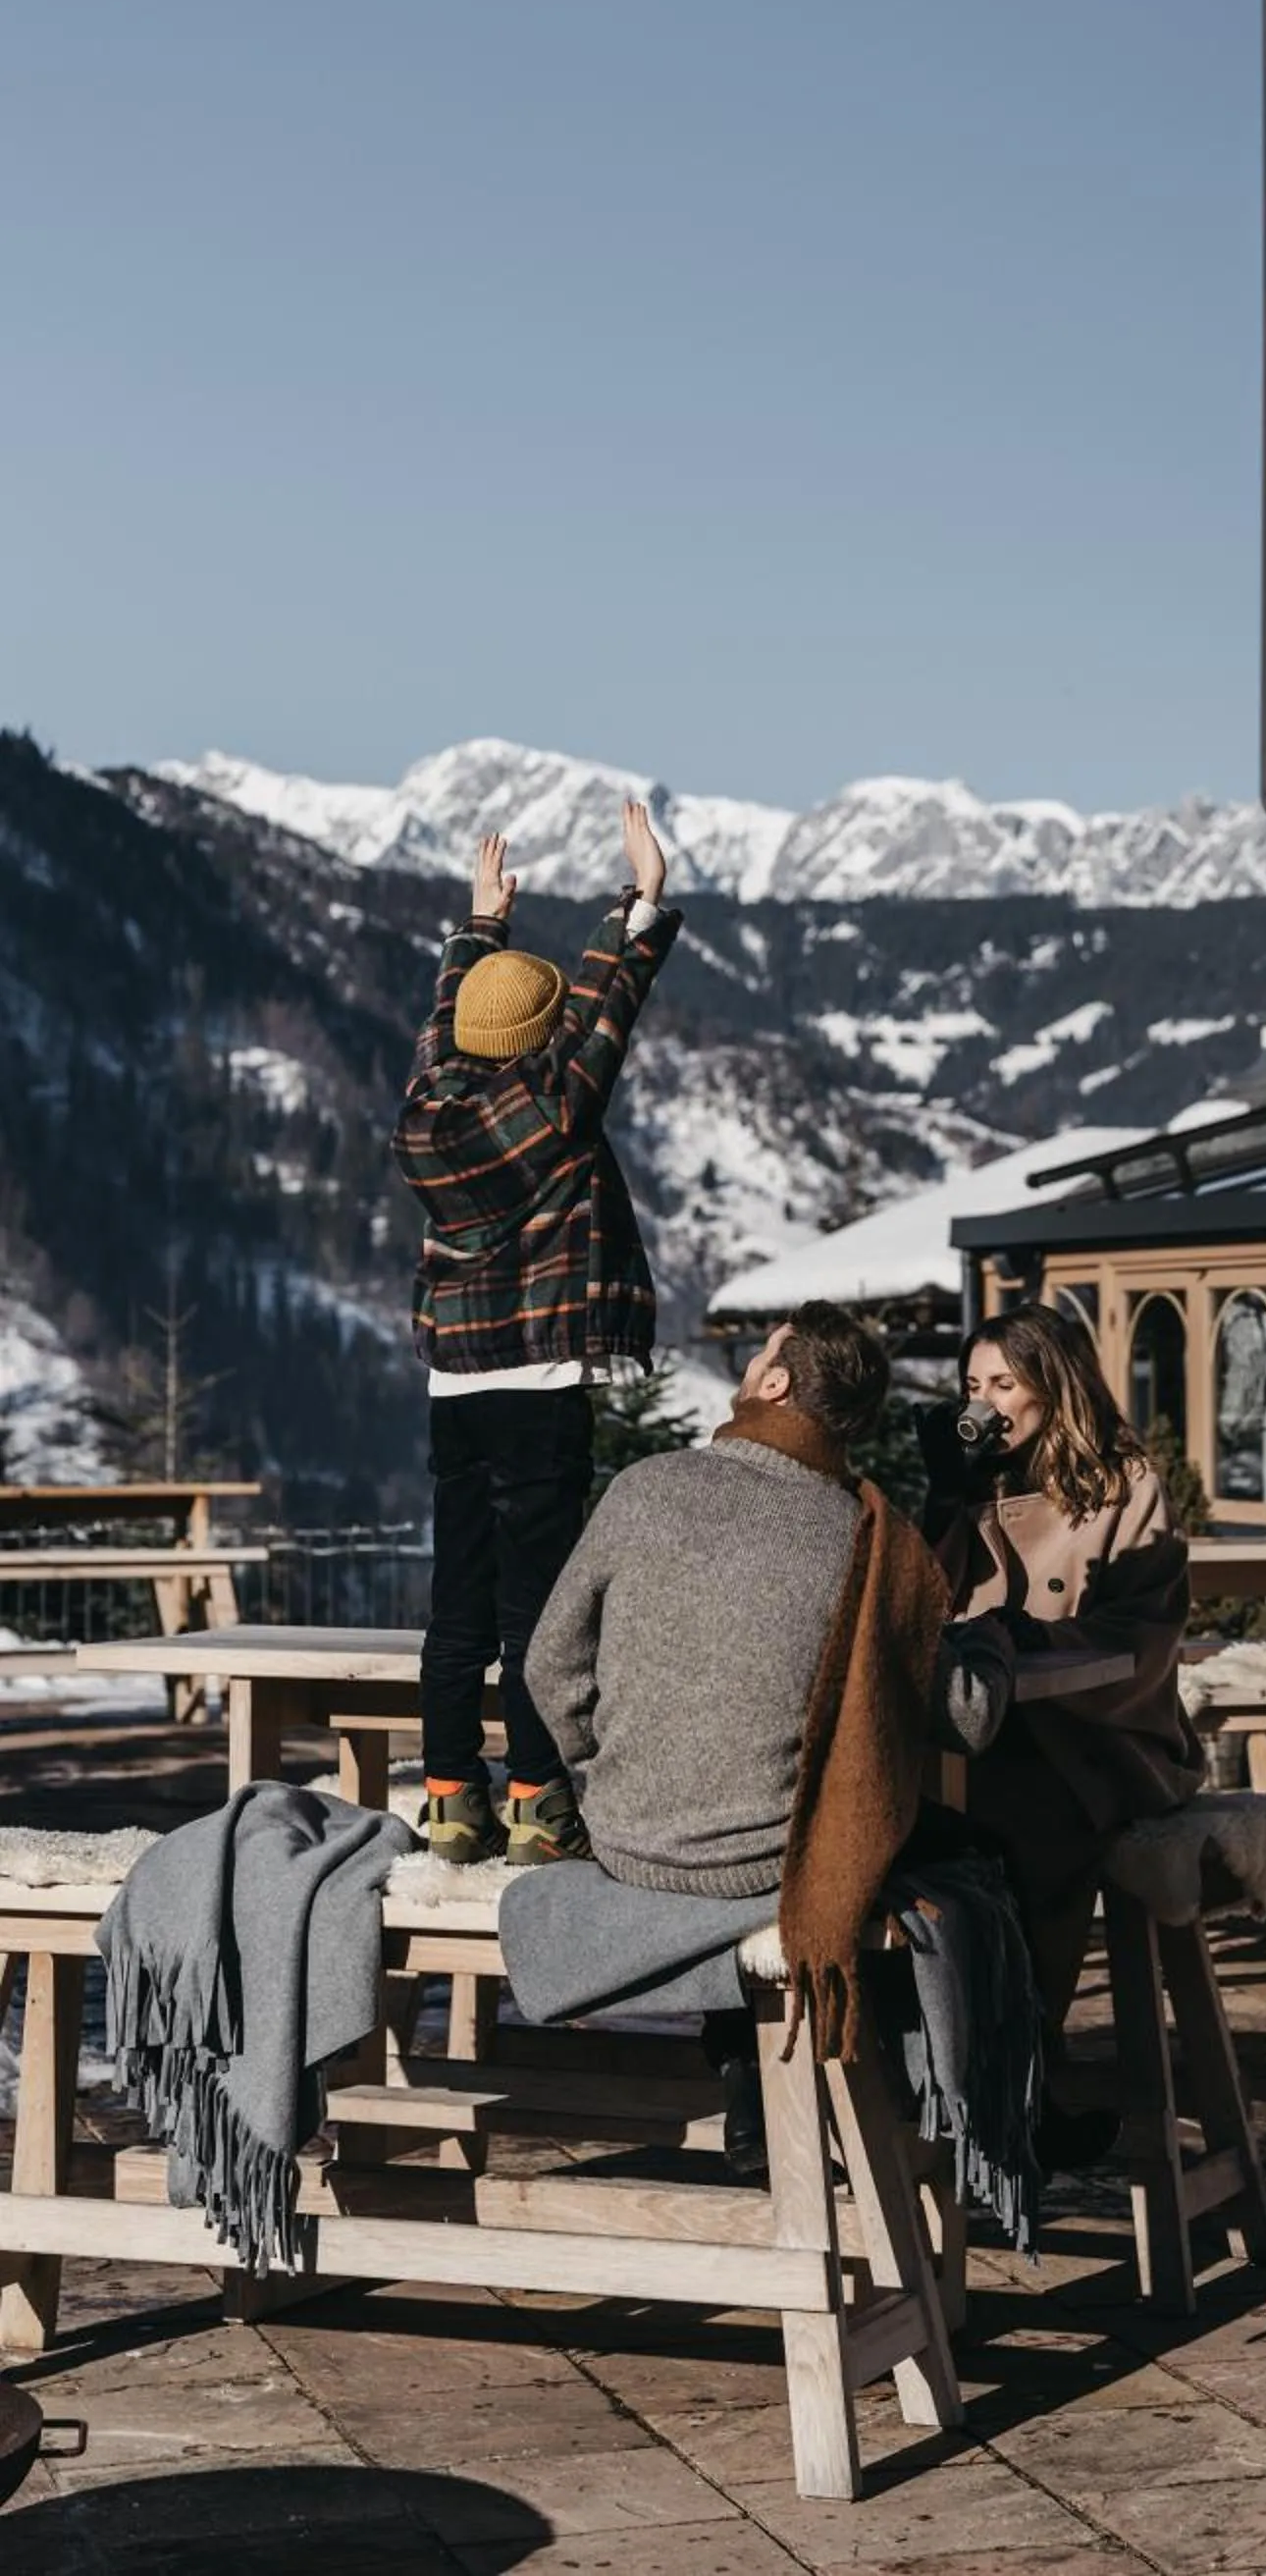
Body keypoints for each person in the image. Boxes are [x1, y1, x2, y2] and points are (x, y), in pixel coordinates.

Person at [520, 1300, 949, 2169]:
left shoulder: (647, 1485)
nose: (750, 1368)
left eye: (760, 1356)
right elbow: (965, 1717)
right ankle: (905, 2111)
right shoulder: (866, 1541)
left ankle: (752, 2082)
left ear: (778, 1384)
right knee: (937, 1852)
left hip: (629, 1843)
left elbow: (547, 1666)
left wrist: (600, 1772)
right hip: (763, 1864)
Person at [393, 799, 680, 1868]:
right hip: (540, 1380)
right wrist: (639, 902)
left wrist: (478, 936)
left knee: (454, 1606)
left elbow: (444, 1025)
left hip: (453, 1387)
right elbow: (608, 1000)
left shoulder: (427, 1108)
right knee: (538, 1613)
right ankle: (534, 1803)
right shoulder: (553, 1104)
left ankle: (448, 1797)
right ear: (539, 1040)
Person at [923, 1303, 1203, 2101]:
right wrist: (945, 1504)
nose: (984, 1404)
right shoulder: (973, 1486)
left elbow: (1145, 1631)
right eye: (973, 1384)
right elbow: (914, 1606)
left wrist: (1035, 1643)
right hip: (975, 1728)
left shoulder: (1127, 1486)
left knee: (1024, 1816)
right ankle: (921, 2060)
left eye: (1005, 1384)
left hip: (1096, 1739)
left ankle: (1020, 2061)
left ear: (1055, 1385)